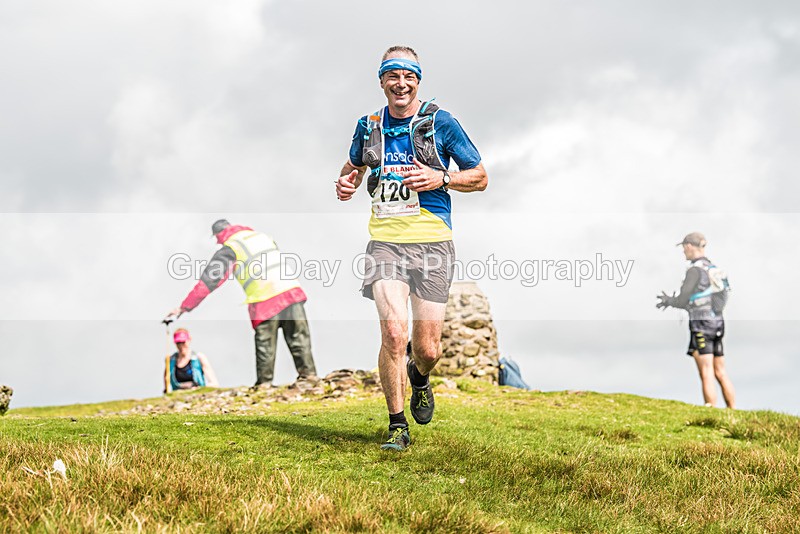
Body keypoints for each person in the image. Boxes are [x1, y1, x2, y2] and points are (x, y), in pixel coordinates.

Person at [335, 46, 488, 450]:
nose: (400, 84)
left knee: (427, 348)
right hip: (385, 241)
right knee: (392, 332)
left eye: (408, 77)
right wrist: (346, 182)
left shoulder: (441, 123)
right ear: (382, 81)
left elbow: (480, 176)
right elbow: (353, 166)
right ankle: (396, 426)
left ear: (418, 81)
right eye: (392, 77)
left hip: (434, 243)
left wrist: (441, 178)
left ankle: (419, 377)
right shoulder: (368, 125)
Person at [165, 220, 317, 387]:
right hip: (291, 291)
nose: (217, 242)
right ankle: (309, 379)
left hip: (264, 299)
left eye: (216, 239)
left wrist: (184, 307)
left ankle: (264, 386)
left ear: (219, 235)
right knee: (299, 339)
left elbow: (209, 281)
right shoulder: (262, 237)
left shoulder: (231, 248)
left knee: (265, 346)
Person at [657, 232, 736, 409]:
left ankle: (710, 407)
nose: (684, 251)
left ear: (689, 246)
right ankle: (732, 409)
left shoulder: (695, 271)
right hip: (717, 322)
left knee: (706, 369)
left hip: (701, 323)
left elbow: (684, 299)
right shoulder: (713, 269)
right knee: (720, 370)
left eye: (684, 247)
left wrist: (669, 301)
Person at [164, 328, 219, 393]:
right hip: (178, 397)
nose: (181, 346)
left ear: (189, 340)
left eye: (183, 342)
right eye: (178, 343)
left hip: (198, 395)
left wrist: (199, 389)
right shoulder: (170, 360)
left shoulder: (199, 358)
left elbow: (214, 383)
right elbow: (166, 386)